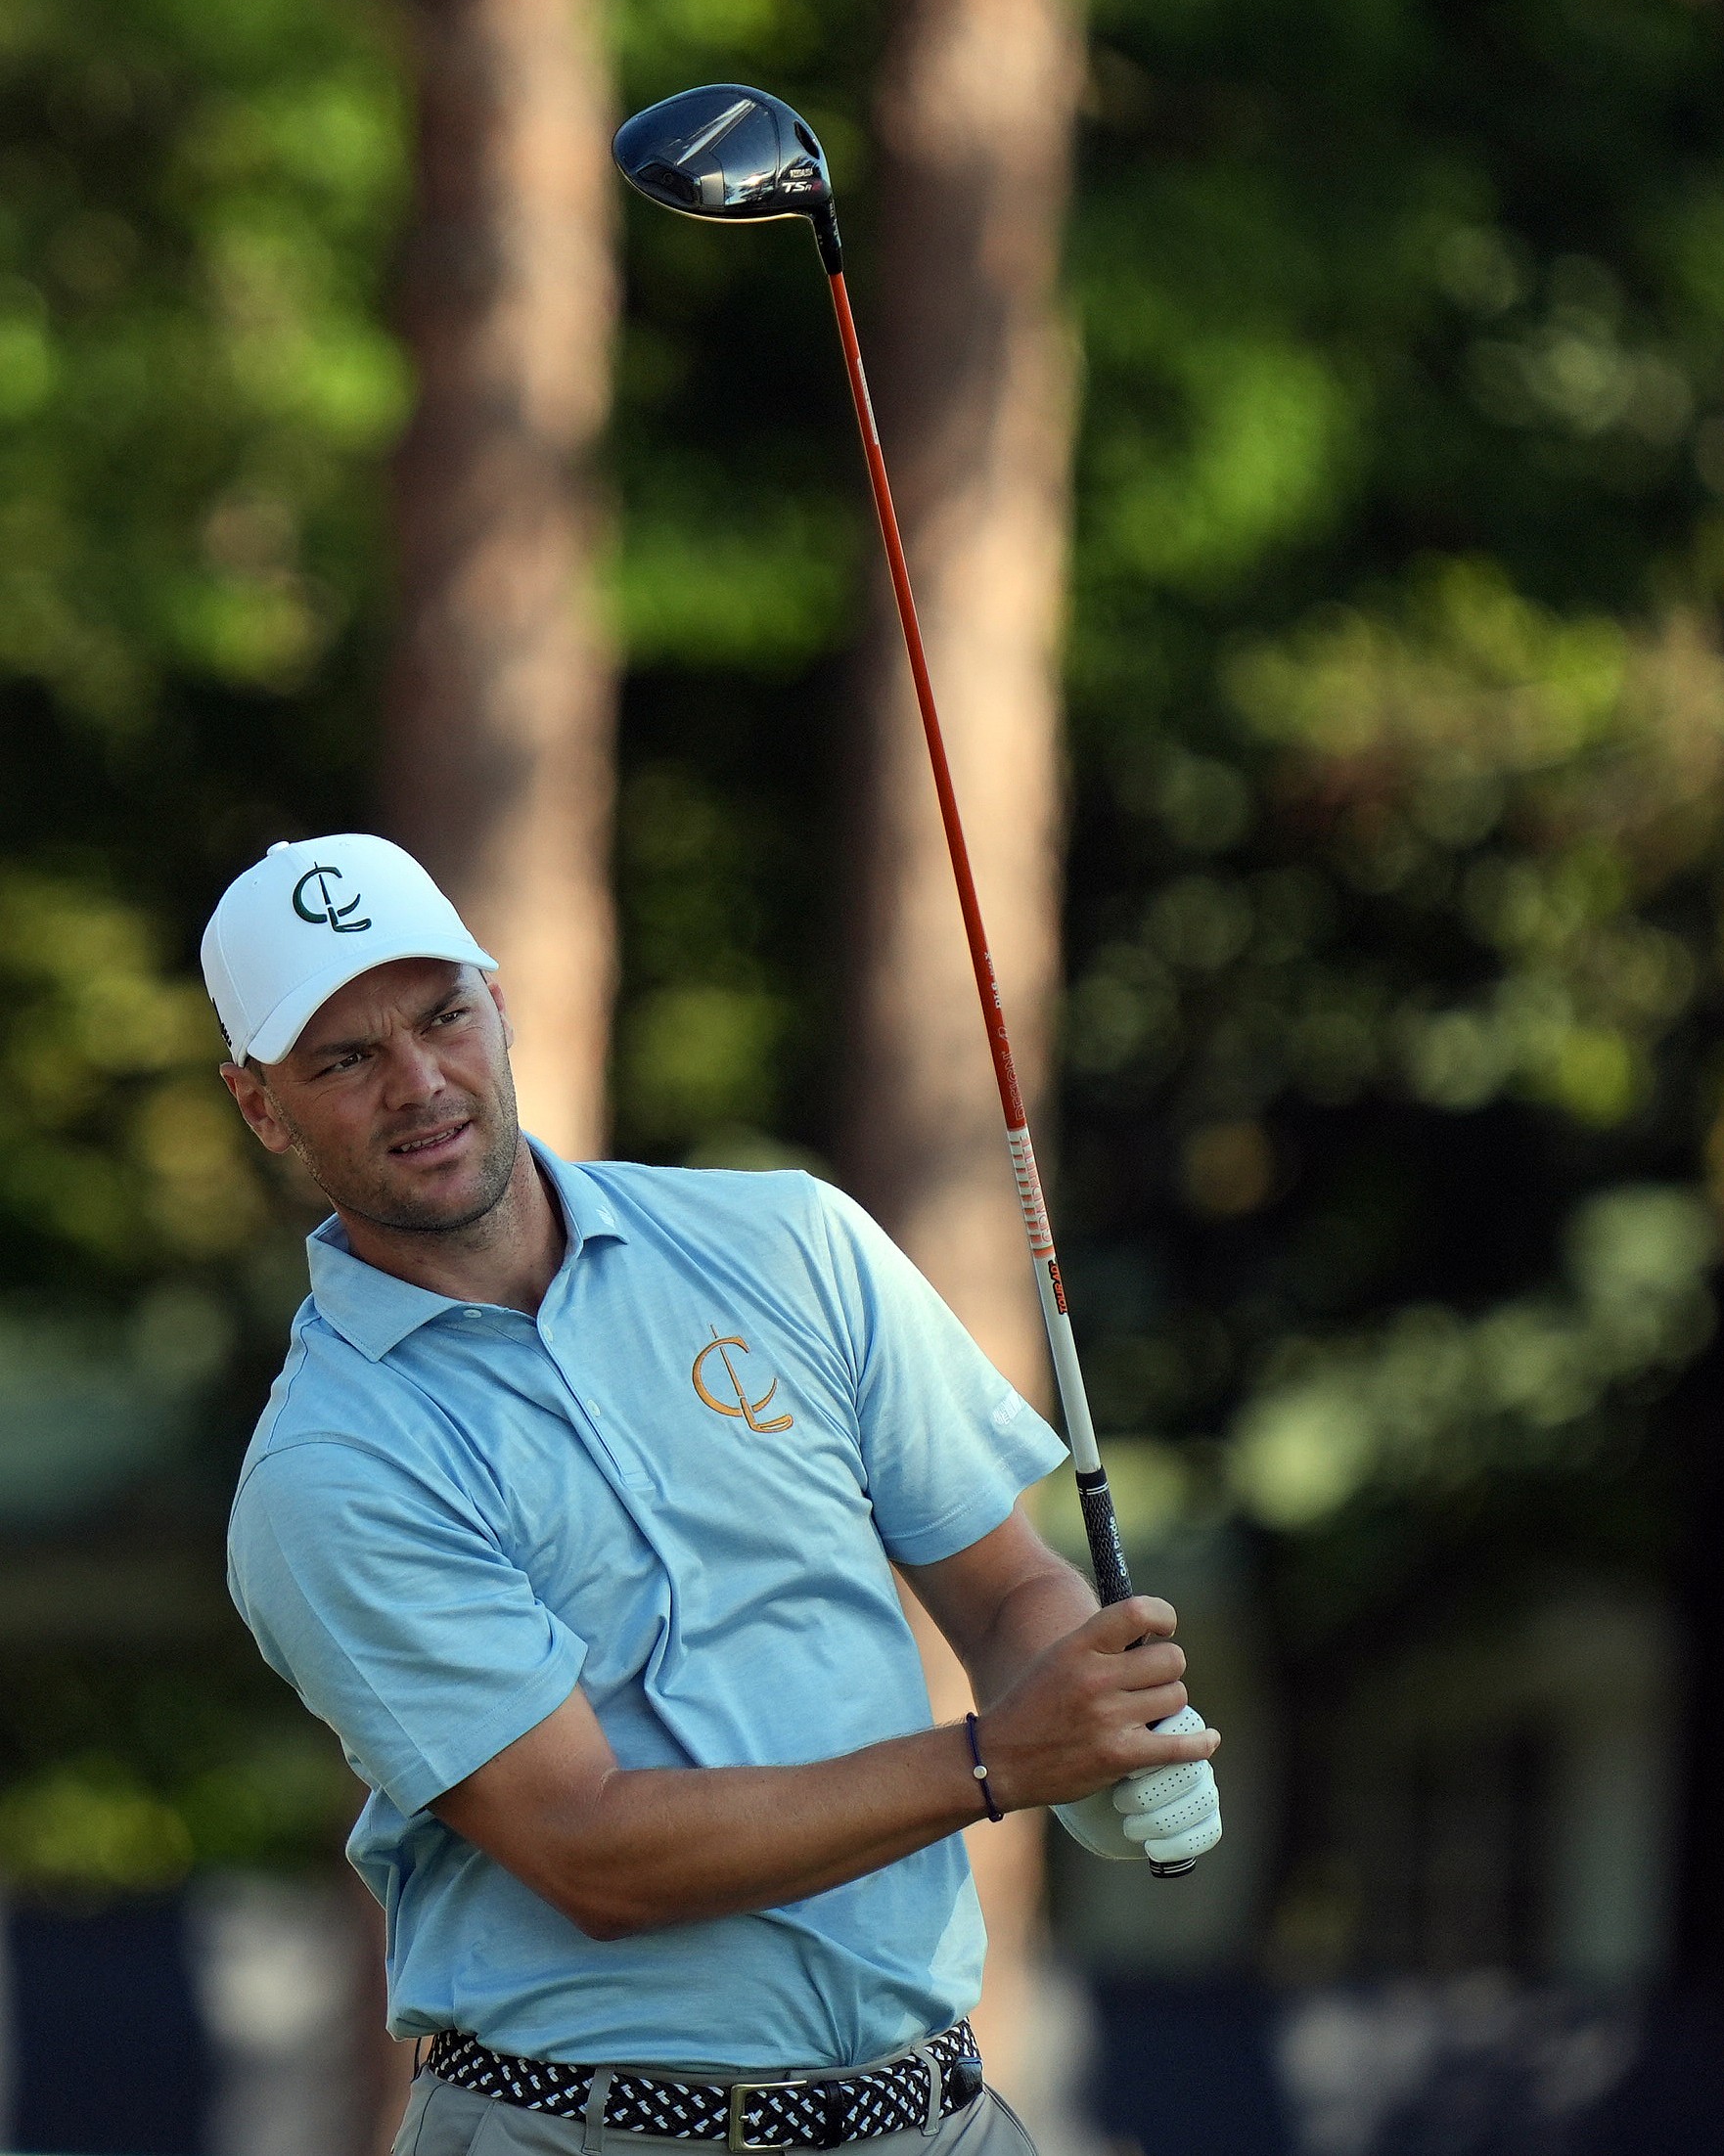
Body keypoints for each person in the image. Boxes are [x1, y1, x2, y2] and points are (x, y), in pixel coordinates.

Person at [207, 833, 1221, 2156]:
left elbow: (1005, 1583)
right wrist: (992, 1761)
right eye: (343, 1057)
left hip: (938, 2112)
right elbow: (592, 1851)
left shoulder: (790, 1242)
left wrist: (1086, 1711)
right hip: (588, 2128)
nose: (420, 1083)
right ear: (261, 1104)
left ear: (498, 1004)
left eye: (443, 1015)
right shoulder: (329, 1469)